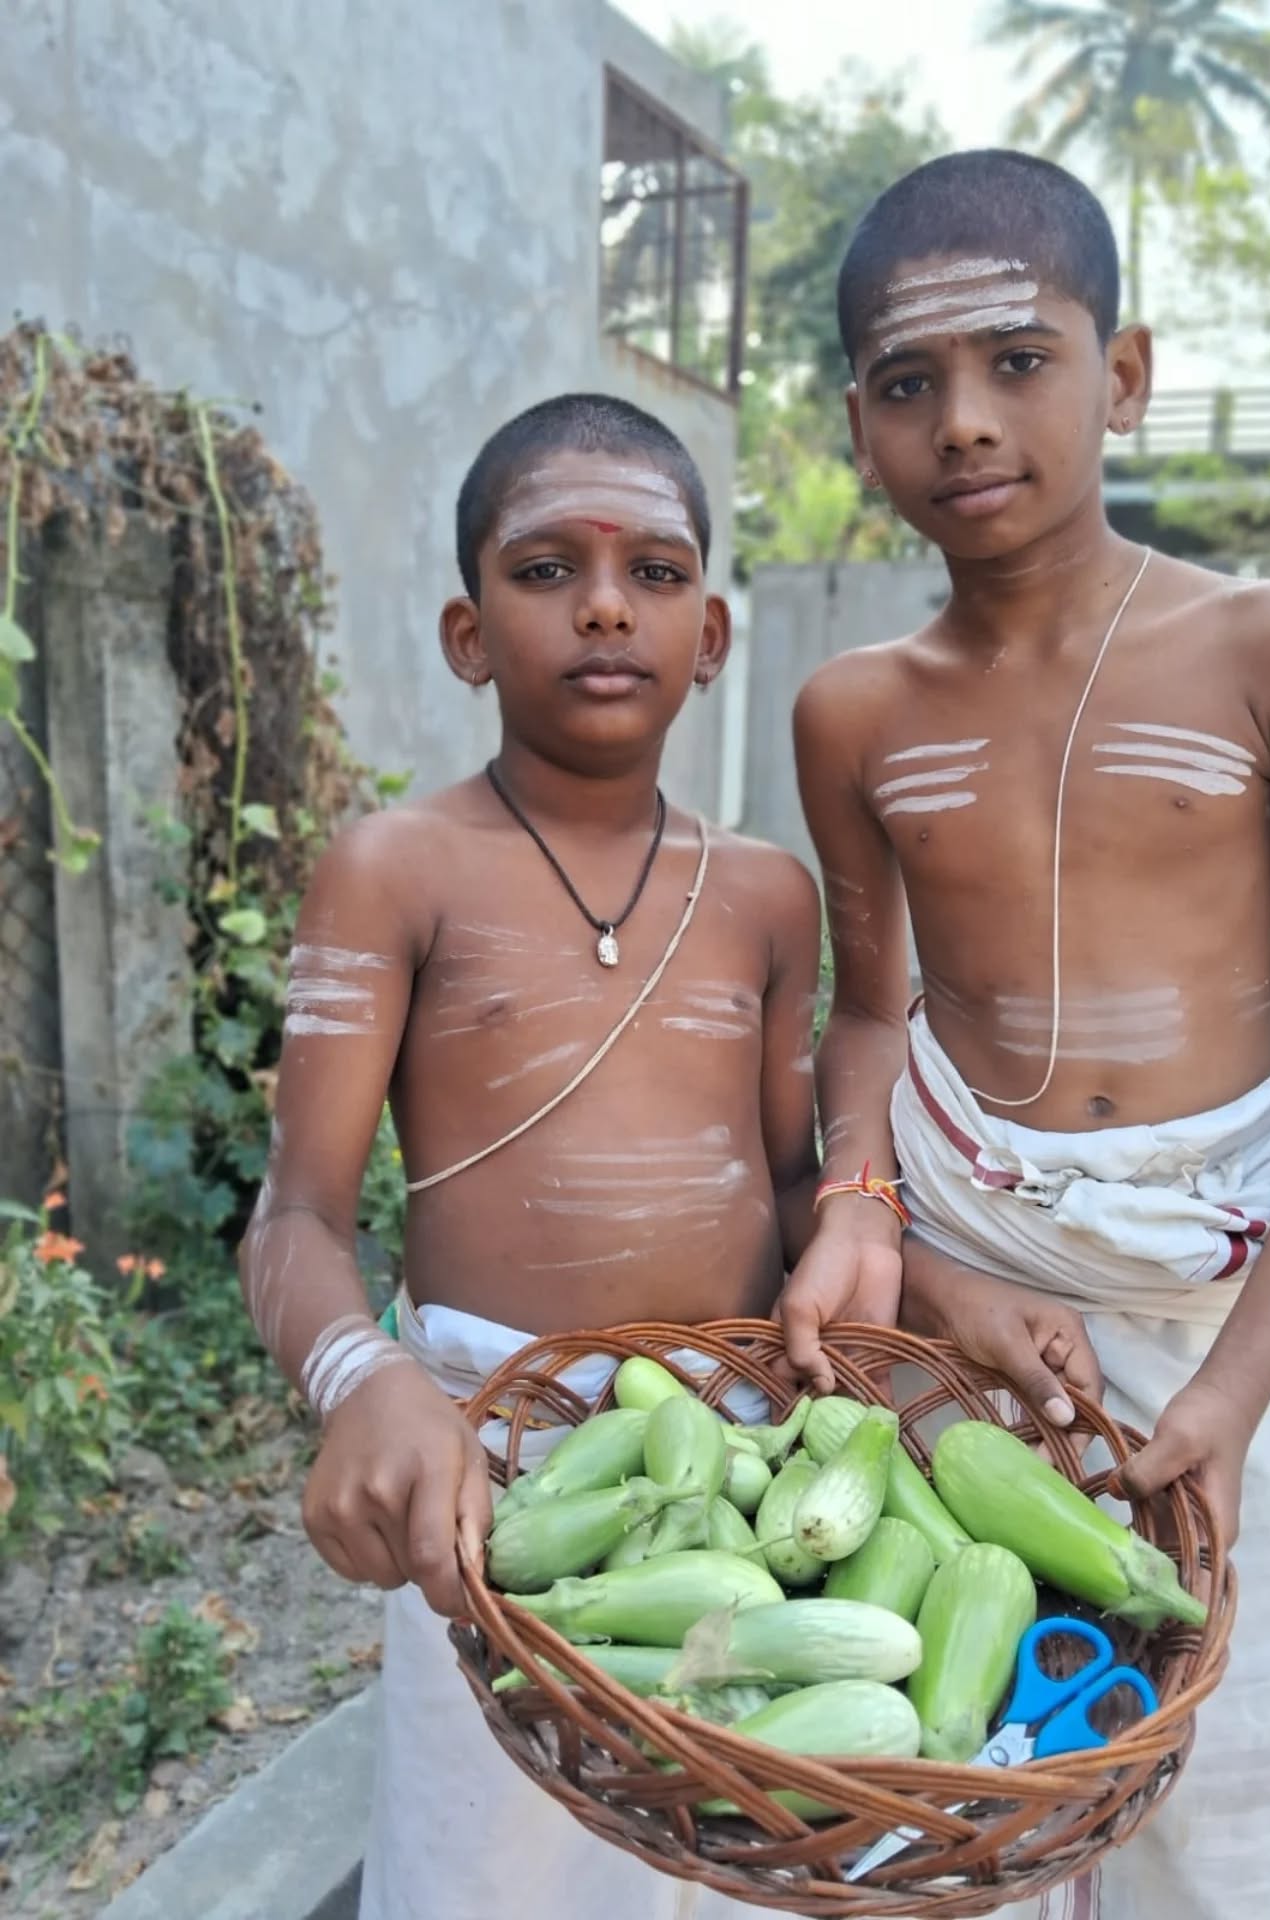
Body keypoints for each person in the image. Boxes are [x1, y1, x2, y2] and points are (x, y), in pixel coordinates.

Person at [779, 149, 1270, 1920]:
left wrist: (1234, 1390)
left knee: (1209, 1787)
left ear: (1121, 374)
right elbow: (867, 1015)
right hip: (976, 1285)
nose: (966, 423)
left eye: (1018, 360)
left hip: (1218, 1301)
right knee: (953, 1745)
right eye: (910, 385)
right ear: (859, 425)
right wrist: (863, 1211)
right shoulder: (851, 711)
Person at [239, 393, 821, 1920]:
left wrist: (883, 1269)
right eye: (548, 567)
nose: (608, 602)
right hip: (496, 1487)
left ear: (712, 637)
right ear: (466, 632)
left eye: (658, 570)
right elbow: (295, 1214)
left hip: (741, 1473)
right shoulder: (397, 870)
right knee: (487, 1865)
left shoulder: (766, 894)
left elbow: (799, 1180)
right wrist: (366, 1382)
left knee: (736, 1845)